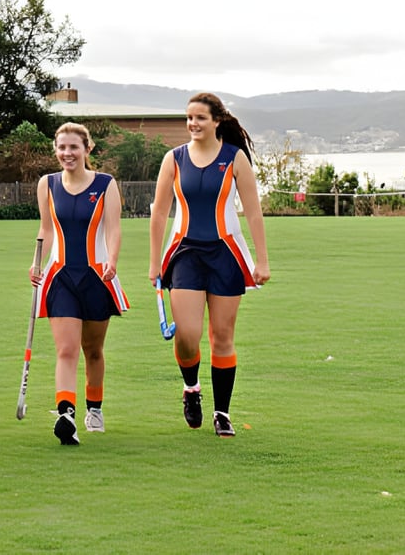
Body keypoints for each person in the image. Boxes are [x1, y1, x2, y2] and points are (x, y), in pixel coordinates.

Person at [148, 92, 270, 438]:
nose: (193, 124)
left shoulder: (235, 158)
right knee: (187, 335)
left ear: (217, 121)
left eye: (200, 117)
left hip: (225, 255)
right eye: (189, 118)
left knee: (222, 338)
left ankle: (222, 412)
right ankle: (191, 389)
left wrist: (262, 259)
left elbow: (254, 211)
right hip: (184, 253)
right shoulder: (174, 159)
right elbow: (158, 213)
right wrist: (154, 262)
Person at [30, 122, 128, 445]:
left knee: (93, 350)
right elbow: (46, 229)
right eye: (61, 147)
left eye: (73, 147)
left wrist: (112, 259)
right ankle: (66, 414)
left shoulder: (105, 185)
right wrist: (36, 263)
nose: (67, 153)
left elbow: (113, 229)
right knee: (67, 349)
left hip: (97, 277)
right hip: (60, 278)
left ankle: (94, 408)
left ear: (88, 149)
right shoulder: (47, 184)